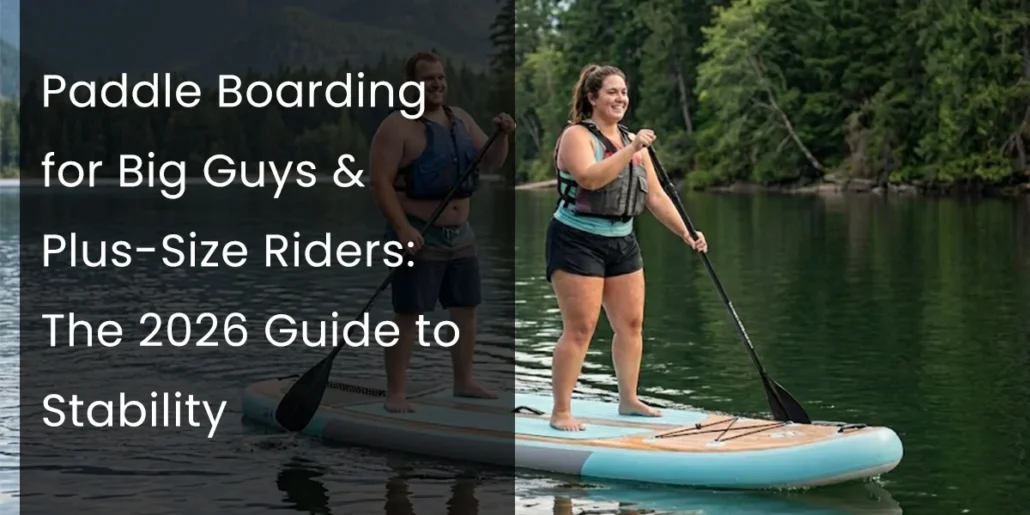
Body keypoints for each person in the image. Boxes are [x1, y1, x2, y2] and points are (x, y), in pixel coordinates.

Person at [545, 64, 709, 431]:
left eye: (624, 92)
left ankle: (629, 400)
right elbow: (590, 177)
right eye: (612, 92)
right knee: (581, 327)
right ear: (592, 98)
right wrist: (632, 146)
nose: (621, 98)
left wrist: (686, 231)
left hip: (622, 240)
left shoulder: (632, 140)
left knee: (631, 324)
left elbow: (655, 196)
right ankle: (561, 411)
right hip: (576, 240)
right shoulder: (577, 136)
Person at [368, 51, 516, 413]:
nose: (437, 84)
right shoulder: (396, 126)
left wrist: (503, 135)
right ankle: (396, 392)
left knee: (466, 308)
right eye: (428, 78)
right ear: (411, 85)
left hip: (460, 235)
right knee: (409, 313)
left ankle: (463, 382)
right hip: (418, 234)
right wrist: (402, 230)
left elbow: (493, 160)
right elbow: (379, 182)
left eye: (441, 78)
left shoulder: (460, 119)